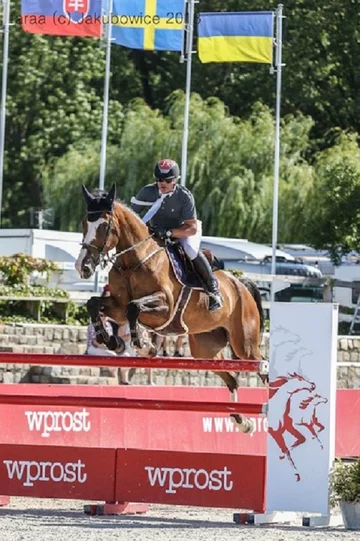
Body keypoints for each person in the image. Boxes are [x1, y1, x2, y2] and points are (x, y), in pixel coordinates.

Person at [130, 158, 222, 312]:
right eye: (159, 179)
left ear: (175, 180)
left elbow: (191, 228)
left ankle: (213, 290)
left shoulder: (184, 196)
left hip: (183, 230)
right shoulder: (147, 192)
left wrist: (169, 232)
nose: (162, 183)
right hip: (156, 231)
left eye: (167, 180)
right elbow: (131, 216)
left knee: (190, 250)